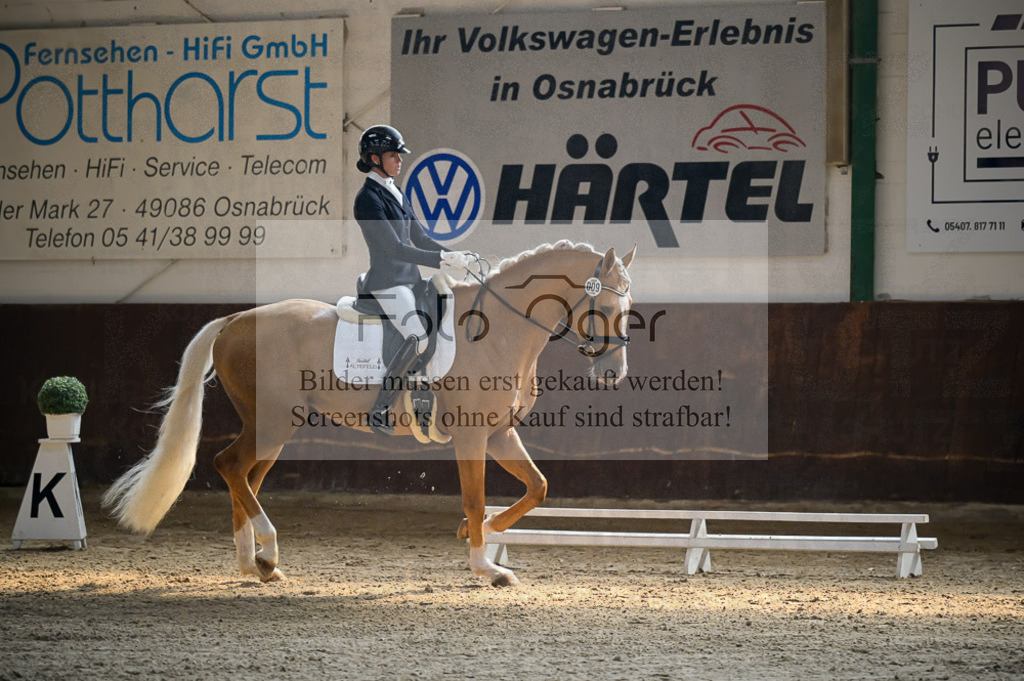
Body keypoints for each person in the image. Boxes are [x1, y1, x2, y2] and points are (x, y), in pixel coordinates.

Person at [353, 124, 473, 434]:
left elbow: (418, 235)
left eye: (398, 155)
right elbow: (393, 247)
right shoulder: (367, 199)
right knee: (417, 336)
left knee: (445, 315)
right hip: (387, 283)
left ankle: (422, 393)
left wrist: (452, 255)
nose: (399, 160)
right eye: (393, 155)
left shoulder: (394, 190)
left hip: (409, 279)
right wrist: (438, 261)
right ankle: (380, 408)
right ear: (375, 159)